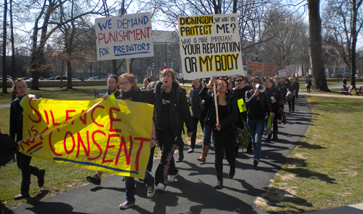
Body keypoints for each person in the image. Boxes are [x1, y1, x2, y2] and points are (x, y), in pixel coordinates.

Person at [115, 73, 157, 209]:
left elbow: (148, 119)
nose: (123, 85)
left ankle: (150, 181)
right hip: (125, 139)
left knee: (136, 167)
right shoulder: (118, 98)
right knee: (128, 169)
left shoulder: (140, 98)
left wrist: (153, 137)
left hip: (139, 138)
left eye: (126, 82)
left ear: (132, 83)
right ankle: (130, 199)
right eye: (121, 83)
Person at [152, 69, 193, 191]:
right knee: (167, 153)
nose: (165, 78)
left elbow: (186, 112)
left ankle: (161, 182)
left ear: (172, 79)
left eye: (168, 76)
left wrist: (190, 128)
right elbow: (139, 95)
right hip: (159, 129)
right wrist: (112, 97)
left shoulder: (178, 94)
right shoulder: (156, 93)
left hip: (173, 130)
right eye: (163, 76)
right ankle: (173, 171)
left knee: (165, 155)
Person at [10, 78, 46, 200]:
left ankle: (24, 191)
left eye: (23, 86)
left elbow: (40, 117)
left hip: (30, 139)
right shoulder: (14, 104)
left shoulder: (31, 100)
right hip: (19, 139)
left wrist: (35, 104)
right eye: (19, 87)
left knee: (24, 164)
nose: (21, 89)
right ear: (15, 90)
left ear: (26, 87)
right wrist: (12, 142)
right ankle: (39, 172)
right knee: (20, 165)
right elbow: (12, 124)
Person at [200, 77, 237, 189]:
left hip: (229, 131)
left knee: (230, 155)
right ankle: (219, 180)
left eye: (223, 84)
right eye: (218, 84)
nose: (220, 86)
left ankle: (232, 165)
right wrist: (209, 84)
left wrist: (222, 123)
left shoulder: (231, 99)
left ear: (227, 89)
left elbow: (234, 115)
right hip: (217, 132)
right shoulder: (212, 98)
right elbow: (201, 94)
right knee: (218, 155)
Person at [86, 75, 120, 185]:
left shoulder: (120, 94)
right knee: (104, 153)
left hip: (121, 129)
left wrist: (109, 99)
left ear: (117, 83)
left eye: (113, 82)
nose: (110, 84)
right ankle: (97, 176)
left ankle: (139, 175)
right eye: (109, 82)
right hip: (109, 129)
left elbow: (119, 107)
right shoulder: (107, 95)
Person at [245, 77, 272, 167]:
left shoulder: (263, 94)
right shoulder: (248, 93)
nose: (255, 83)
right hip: (250, 119)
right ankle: (256, 153)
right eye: (254, 81)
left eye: (257, 82)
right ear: (251, 83)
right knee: (253, 139)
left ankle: (256, 157)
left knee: (258, 139)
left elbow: (267, 104)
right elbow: (247, 104)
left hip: (260, 119)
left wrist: (270, 114)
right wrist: (254, 96)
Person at [233, 75, 251, 154]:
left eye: (240, 80)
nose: (239, 82)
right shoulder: (235, 90)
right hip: (237, 113)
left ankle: (249, 146)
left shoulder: (248, 89)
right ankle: (236, 148)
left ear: (244, 81)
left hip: (246, 112)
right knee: (237, 131)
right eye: (237, 81)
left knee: (247, 130)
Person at [188, 79, 203, 153]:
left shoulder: (202, 91)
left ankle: (207, 144)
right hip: (194, 113)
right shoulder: (191, 91)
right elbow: (190, 103)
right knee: (193, 131)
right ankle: (192, 147)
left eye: (198, 82)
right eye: (195, 82)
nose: (196, 83)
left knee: (204, 130)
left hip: (201, 112)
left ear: (200, 83)